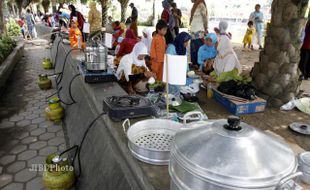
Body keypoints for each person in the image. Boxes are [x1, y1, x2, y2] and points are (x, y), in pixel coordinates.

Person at [166, 32, 191, 96]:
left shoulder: (183, 49)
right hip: (172, 74)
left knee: (187, 85)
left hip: (180, 74)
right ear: (181, 40)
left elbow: (185, 61)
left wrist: (187, 71)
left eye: (187, 42)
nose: (187, 44)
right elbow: (168, 64)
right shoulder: (171, 48)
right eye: (186, 42)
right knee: (173, 92)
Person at [189, 0, 208, 67]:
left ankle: (198, 64)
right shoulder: (196, 5)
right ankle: (195, 64)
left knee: (197, 48)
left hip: (198, 30)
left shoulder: (200, 5)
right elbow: (204, 18)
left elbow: (204, 18)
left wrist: (205, 28)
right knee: (195, 47)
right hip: (195, 30)